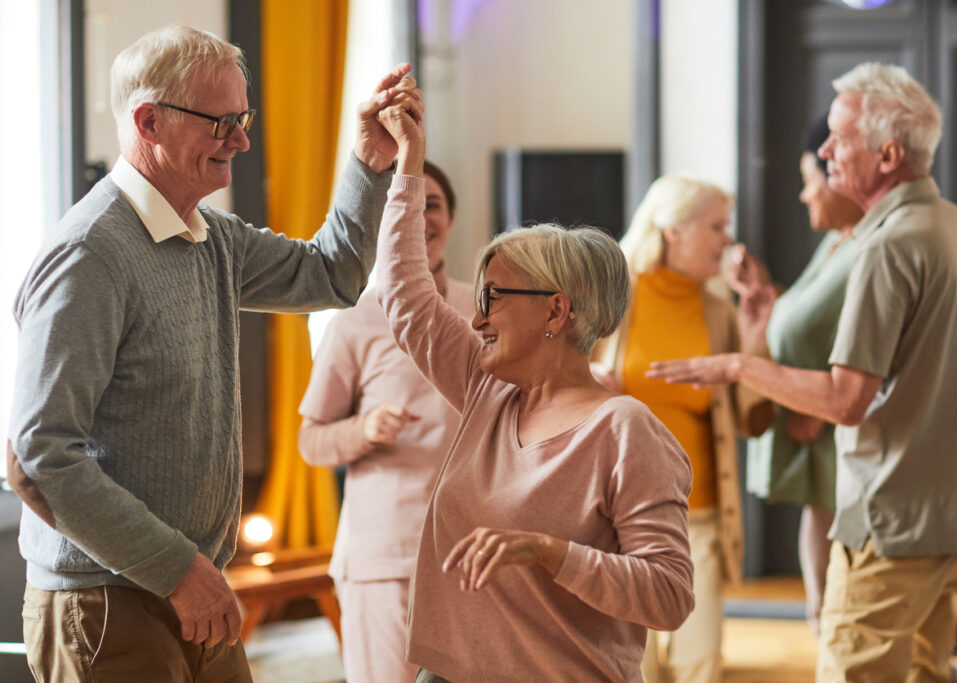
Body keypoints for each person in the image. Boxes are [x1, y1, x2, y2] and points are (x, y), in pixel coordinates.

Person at [5, 25, 418, 682]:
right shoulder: (88, 255)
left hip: (188, 585)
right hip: (108, 600)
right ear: (150, 121)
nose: (243, 141)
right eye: (223, 121)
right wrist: (177, 569)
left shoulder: (213, 239)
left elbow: (333, 274)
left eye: (244, 117)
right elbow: (37, 457)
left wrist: (369, 161)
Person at [646, 62, 957, 682]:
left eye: (840, 139)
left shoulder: (885, 246)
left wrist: (741, 364)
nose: (823, 150)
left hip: (891, 523)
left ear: (888, 154)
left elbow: (845, 400)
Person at [371, 90, 695, 681]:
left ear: (556, 312)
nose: (477, 316)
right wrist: (408, 162)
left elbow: (670, 594)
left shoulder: (625, 430)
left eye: (493, 297)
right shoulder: (486, 390)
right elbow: (406, 296)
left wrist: (550, 553)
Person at [297, 160, 474, 682]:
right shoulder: (354, 320)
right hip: (386, 557)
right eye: (408, 204)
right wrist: (364, 429)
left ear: (452, 219)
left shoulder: (484, 313)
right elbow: (311, 441)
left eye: (433, 204)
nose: (421, 217)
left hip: (472, 554)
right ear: (385, 220)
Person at [592, 175, 770, 683]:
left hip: (700, 519)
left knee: (700, 665)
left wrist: (754, 343)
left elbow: (754, 421)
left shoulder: (718, 311)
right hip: (615, 516)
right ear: (673, 230)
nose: (727, 240)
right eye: (716, 226)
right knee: (629, 668)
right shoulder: (609, 300)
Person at [726, 115, 864, 634]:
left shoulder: (867, 252)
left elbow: (875, 346)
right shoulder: (834, 244)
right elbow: (811, 318)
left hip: (836, 427)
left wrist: (824, 413)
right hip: (815, 428)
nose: (805, 196)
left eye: (810, 180)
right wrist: (764, 293)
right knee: (825, 604)